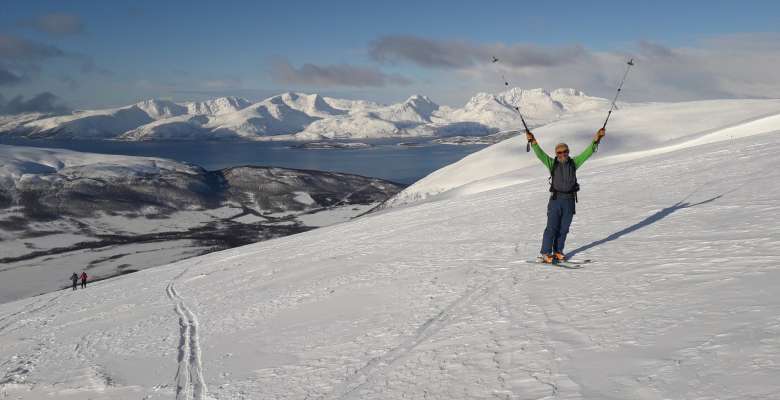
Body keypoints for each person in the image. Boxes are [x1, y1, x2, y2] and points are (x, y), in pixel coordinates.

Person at [526, 128, 606, 263]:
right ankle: (546, 253)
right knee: (551, 228)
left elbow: (588, 152)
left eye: (565, 151)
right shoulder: (552, 163)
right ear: (556, 154)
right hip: (556, 200)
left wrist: (597, 138)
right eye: (559, 152)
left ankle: (558, 251)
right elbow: (540, 154)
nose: (562, 154)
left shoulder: (574, 163)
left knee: (564, 229)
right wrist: (532, 140)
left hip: (569, 201)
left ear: (568, 152)